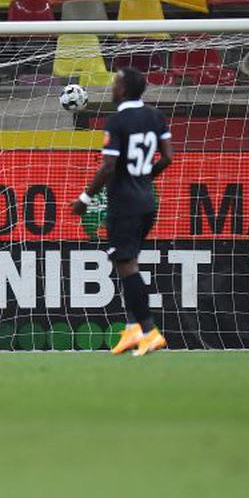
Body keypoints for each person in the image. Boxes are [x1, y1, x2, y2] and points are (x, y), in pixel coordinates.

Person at [71, 67, 174, 357]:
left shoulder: (117, 121)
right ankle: (131, 328)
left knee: (126, 265)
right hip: (146, 203)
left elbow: (108, 166)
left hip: (125, 205)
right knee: (129, 263)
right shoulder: (156, 116)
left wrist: (84, 198)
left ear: (124, 89)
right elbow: (168, 157)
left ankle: (149, 331)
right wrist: (144, 178)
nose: (112, 87)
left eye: (115, 83)